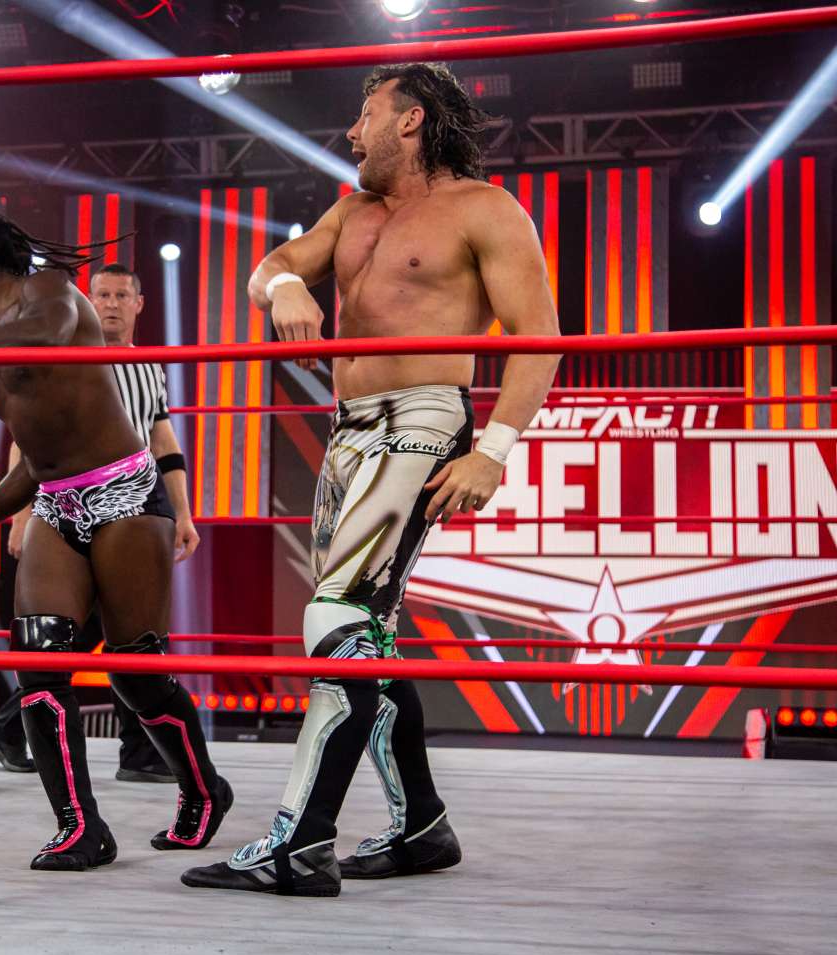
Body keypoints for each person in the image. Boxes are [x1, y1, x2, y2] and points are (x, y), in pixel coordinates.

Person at [181, 63, 560, 896]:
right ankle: (421, 824)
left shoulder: (484, 210)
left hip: (424, 417)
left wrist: (492, 451)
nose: (352, 132)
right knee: (367, 636)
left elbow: (540, 335)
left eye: (366, 113)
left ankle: (299, 841)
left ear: (410, 121)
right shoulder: (352, 212)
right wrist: (286, 285)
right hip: (348, 430)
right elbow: (272, 265)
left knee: (338, 615)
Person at [0, 212, 232, 872]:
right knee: (39, 663)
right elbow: (37, 459)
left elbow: (46, 332)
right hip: (55, 501)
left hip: (126, 494)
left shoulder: (46, 291)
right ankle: (81, 828)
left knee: (135, 671)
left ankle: (203, 790)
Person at [0, 262, 201, 781]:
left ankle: (15, 730)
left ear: (139, 304)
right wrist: (21, 517)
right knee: (115, 631)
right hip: (73, 508)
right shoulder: (68, 356)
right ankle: (134, 753)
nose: (111, 304)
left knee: (116, 629)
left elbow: (163, 441)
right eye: (102, 294)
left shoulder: (149, 366)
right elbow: (27, 438)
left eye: (122, 295)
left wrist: (182, 512)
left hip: (134, 506)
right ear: (88, 301)